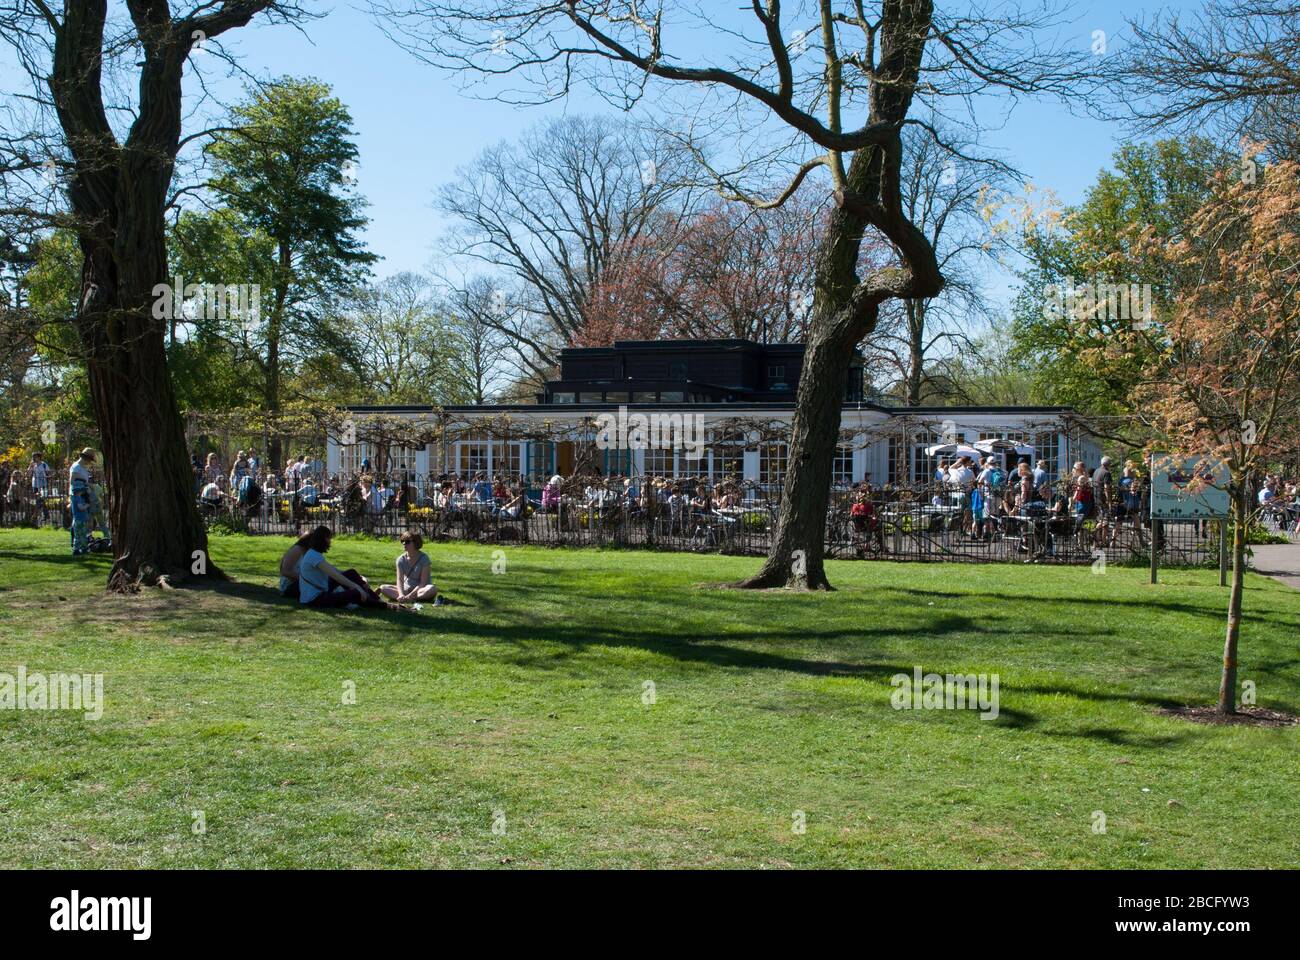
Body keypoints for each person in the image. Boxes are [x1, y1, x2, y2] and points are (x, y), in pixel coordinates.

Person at [296, 526, 394, 610]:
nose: (330, 541)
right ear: (324, 539)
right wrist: (357, 586)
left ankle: (376, 599)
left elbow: (336, 571)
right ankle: (384, 605)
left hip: (322, 590)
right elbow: (336, 577)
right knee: (355, 593)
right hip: (314, 599)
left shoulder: (314, 554)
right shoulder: (314, 556)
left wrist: (360, 579)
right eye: (329, 538)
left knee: (351, 573)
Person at [379, 531, 438, 604]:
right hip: (406, 589)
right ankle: (406, 598)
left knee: (432, 589)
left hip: (420, 589)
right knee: (383, 588)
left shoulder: (424, 559)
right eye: (402, 541)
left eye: (407, 541)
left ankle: (410, 598)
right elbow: (399, 580)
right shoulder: (400, 559)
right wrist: (401, 594)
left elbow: (423, 583)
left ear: (416, 543)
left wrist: (411, 595)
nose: (404, 544)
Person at [67, 448, 95, 555]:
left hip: (84, 495)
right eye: (89, 459)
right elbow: (74, 480)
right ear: (85, 458)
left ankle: (81, 544)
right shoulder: (76, 467)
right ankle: (76, 544)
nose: (90, 462)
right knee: (78, 521)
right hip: (77, 495)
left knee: (81, 521)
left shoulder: (84, 468)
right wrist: (86, 485)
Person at [278, 528, 317, 598]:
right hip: (290, 585)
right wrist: (306, 579)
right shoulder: (297, 550)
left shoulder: (309, 551)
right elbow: (285, 571)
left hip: (302, 582)